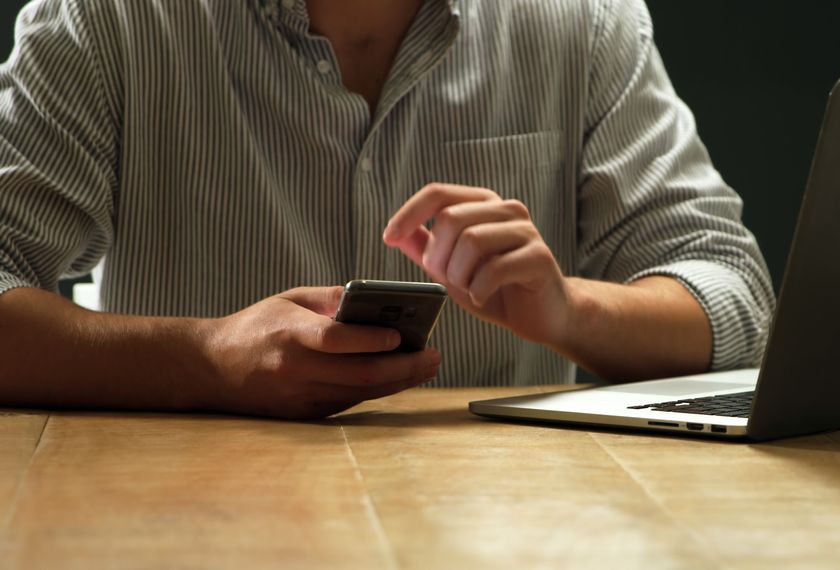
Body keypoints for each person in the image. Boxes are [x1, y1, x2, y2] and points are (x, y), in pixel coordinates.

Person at [0, 0, 775, 419]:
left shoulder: (582, 21)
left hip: (507, 533)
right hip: (194, 528)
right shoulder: (107, 21)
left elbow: (739, 300)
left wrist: (572, 312)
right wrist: (206, 358)